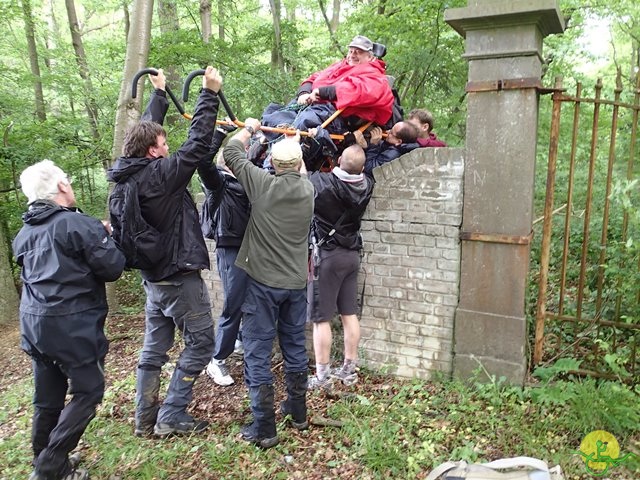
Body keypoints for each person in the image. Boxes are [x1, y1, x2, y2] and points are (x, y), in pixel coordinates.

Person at [107, 66, 222, 437]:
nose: (168, 147)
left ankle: (144, 420)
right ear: (153, 152)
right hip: (177, 276)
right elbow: (197, 143)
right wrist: (210, 93)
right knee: (203, 341)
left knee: (154, 349)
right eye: (163, 145)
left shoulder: (126, 174)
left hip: (154, 278)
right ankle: (171, 415)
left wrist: (158, 95)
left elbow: (140, 136)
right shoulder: (160, 176)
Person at [13, 160, 126, 480]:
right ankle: (50, 464)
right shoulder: (79, 225)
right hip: (71, 326)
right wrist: (106, 237)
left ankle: (45, 460)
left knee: (47, 397)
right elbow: (113, 267)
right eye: (69, 180)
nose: (71, 185)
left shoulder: (25, 233)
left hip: (35, 325)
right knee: (89, 391)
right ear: (61, 187)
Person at [222, 121, 314, 449]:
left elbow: (231, 153)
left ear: (273, 165)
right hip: (295, 285)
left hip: (262, 284)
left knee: (258, 351)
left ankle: (264, 428)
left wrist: (248, 130)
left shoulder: (263, 185)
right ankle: (298, 413)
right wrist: (294, 140)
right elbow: (297, 168)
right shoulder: (308, 190)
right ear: (300, 164)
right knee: (294, 347)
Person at [306, 145, 374, 389]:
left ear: (337, 161)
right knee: (349, 314)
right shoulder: (367, 185)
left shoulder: (322, 184)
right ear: (362, 168)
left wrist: (317, 141)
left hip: (328, 256)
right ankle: (349, 370)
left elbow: (302, 171)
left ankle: (322, 377)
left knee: (321, 318)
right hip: (352, 255)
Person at [198, 150, 251, 386]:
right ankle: (217, 360)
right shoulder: (219, 183)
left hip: (247, 246)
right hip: (230, 248)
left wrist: (256, 138)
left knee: (246, 299)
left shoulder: (242, 180)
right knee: (232, 303)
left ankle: (238, 340)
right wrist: (220, 134)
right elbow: (204, 163)